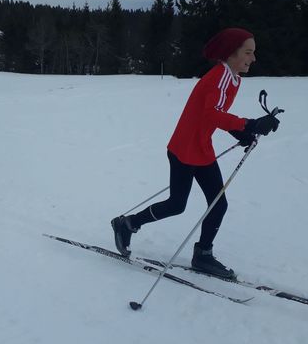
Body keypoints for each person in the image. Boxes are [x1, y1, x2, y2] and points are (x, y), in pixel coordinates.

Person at [111, 28, 280, 278]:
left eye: (253, 53)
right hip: (183, 149)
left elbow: (214, 114)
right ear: (231, 53)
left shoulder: (233, 78)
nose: (253, 58)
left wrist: (241, 132)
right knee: (177, 204)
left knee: (218, 204)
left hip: (201, 148)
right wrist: (249, 124)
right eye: (248, 52)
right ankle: (128, 224)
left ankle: (203, 255)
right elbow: (211, 113)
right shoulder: (220, 76)